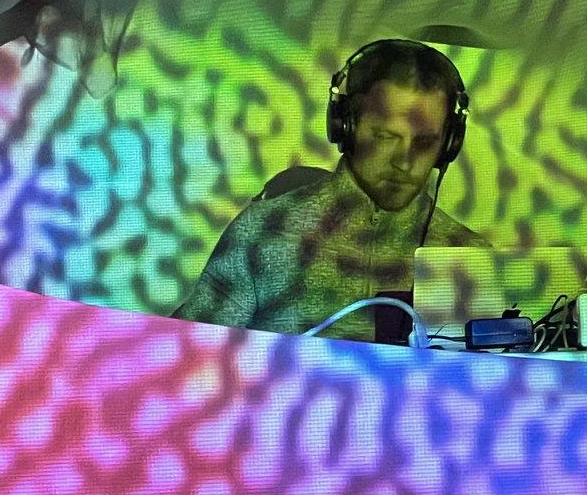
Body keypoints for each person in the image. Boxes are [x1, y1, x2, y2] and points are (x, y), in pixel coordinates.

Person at [174, 39, 488, 341]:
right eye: (385, 136)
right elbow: (190, 358)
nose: (404, 161)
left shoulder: (467, 255)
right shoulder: (262, 232)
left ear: (449, 145)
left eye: (425, 142)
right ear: (345, 127)